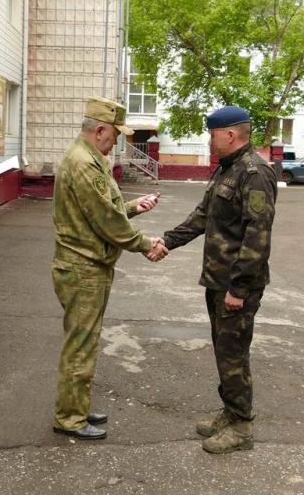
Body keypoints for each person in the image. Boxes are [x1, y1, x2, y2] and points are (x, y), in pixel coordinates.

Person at [162, 105, 277, 455]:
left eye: (212, 134)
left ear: (229, 134)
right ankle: (230, 412)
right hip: (218, 280)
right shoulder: (227, 169)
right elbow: (203, 215)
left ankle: (242, 427)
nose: (209, 140)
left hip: (236, 286)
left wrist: (239, 289)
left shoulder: (255, 173)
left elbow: (257, 236)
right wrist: (168, 241)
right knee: (224, 351)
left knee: (233, 354)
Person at [51, 96, 166, 441]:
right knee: (81, 346)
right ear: (99, 129)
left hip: (90, 264)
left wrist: (132, 207)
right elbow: (103, 219)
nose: (116, 140)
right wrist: (146, 245)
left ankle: (77, 407)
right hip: (82, 267)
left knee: (85, 342)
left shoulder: (89, 158)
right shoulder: (83, 163)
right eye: (114, 134)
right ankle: (70, 418)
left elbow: (103, 210)